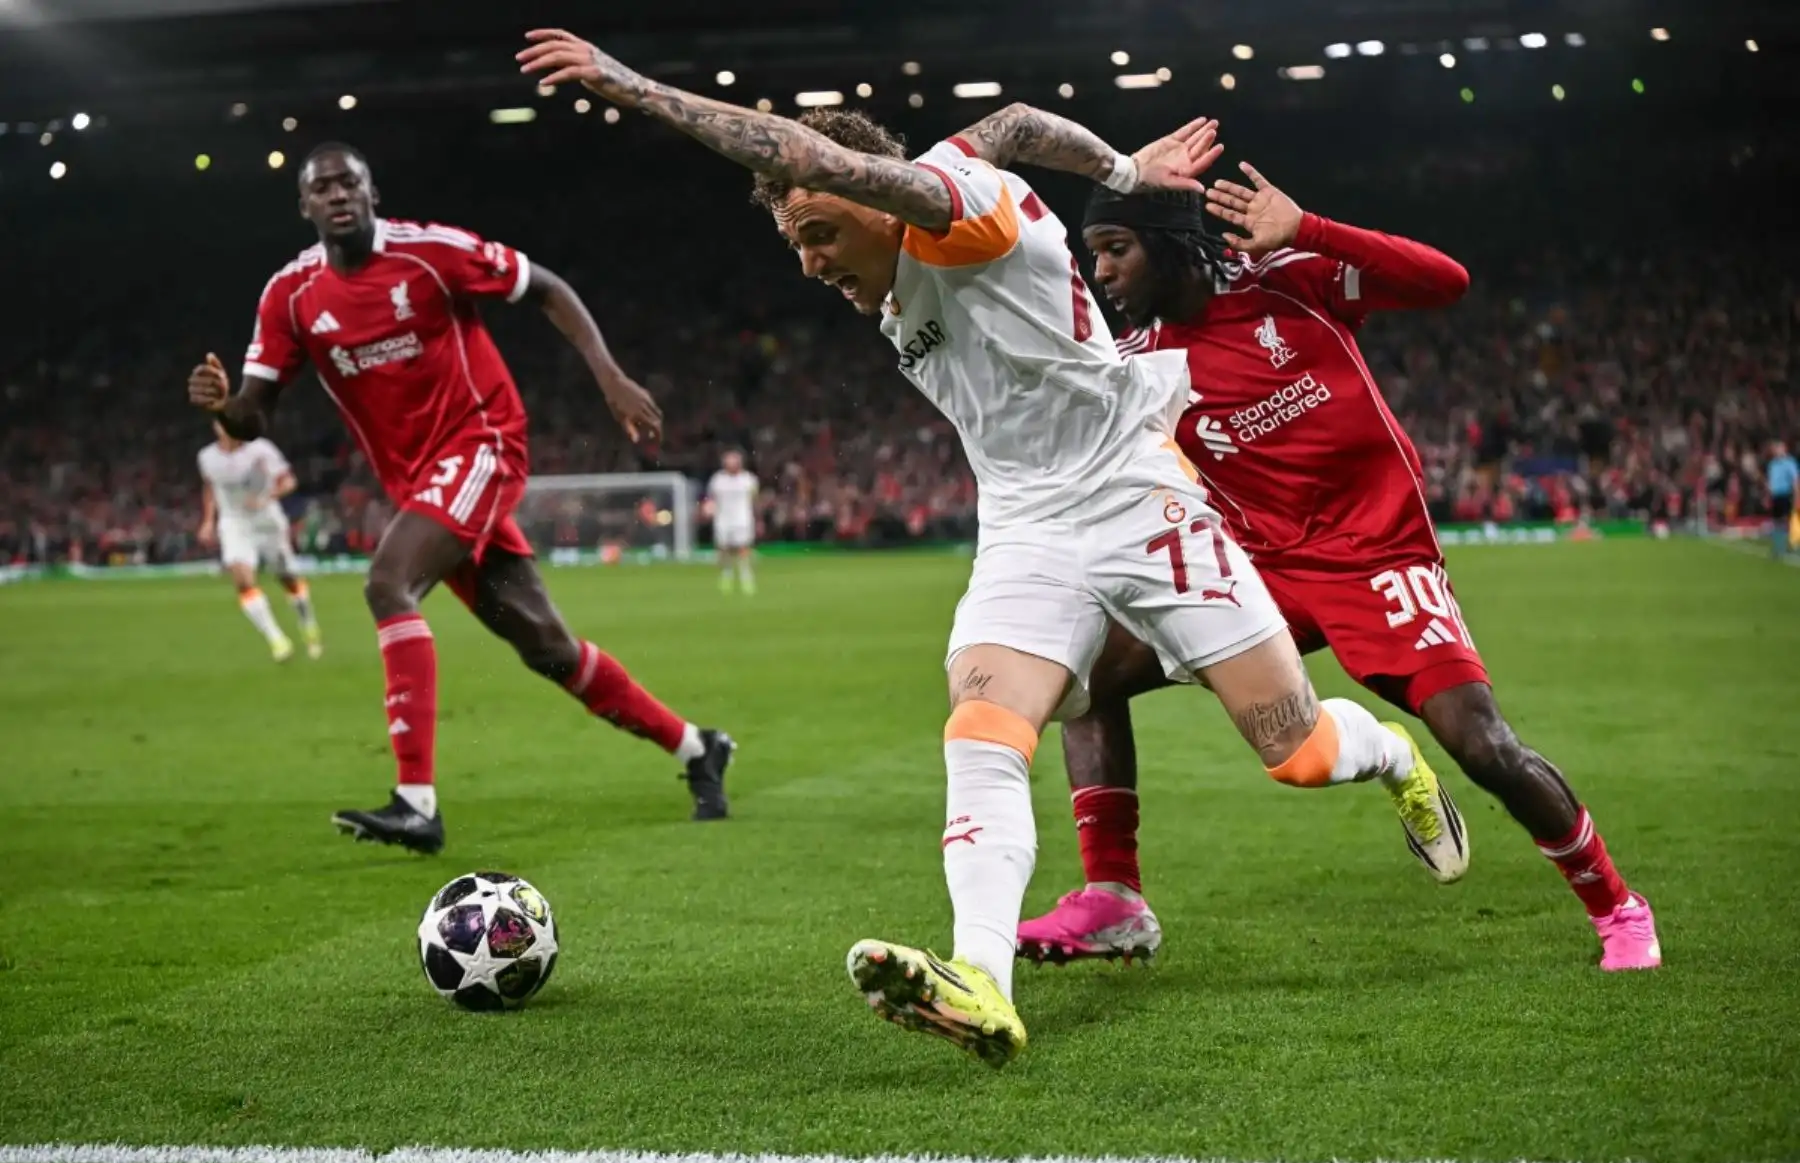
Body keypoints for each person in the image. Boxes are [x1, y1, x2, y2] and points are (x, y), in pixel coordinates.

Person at [520, 30, 1466, 1067]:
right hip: (1025, 524)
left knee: (1299, 753)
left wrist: (630, 86)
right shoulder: (921, 221)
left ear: (880, 197)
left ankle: (1395, 759)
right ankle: (981, 979)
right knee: (982, 725)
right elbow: (1011, 125)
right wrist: (1119, 170)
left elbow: (848, 157)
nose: (811, 263)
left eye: (823, 233)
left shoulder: (951, 215)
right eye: (796, 245)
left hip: (1138, 499)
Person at [1017, 175, 1660, 972]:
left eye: (1116, 249)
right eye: (1093, 256)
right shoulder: (1136, 365)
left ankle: (1619, 907)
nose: (1103, 273)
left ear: (1173, 245)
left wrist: (1309, 228)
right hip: (1258, 573)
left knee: (1484, 745)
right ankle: (1114, 897)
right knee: (1084, 673)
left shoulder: (1293, 283)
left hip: (1379, 555)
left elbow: (1444, 281)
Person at [186, 143, 736, 853]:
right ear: (304, 206)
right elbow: (254, 412)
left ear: (371, 190)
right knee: (547, 646)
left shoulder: (429, 253)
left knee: (388, 584)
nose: (337, 195)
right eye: (321, 188)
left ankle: (416, 803)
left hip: (484, 442)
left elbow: (545, 287)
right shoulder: (289, 296)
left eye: (348, 182)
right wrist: (224, 407)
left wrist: (610, 376)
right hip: (420, 481)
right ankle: (697, 747)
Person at [197, 420, 323, 662]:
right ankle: (277, 640)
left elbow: (288, 482)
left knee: (287, 577)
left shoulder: (261, 450)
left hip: (267, 521)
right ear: (216, 427)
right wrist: (208, 520)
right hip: (234, 522)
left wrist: (267, 496)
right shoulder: (207, 457)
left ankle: (308, 622)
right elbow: (210, 487)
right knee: (243, 580)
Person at [707, 449, 760, 594]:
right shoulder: (717, 479)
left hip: (742, 519)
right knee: (724, 549)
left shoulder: (749, 479)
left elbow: (755, 500)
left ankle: (746, 576)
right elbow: (711, 499)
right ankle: (727, 575)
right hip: (723, 519)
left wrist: (758, 519)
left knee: (743, 548)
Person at [1767, 440, 1796, 559]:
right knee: (1776, 521)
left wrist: (1797, 495)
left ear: (1784, 449)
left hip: (1785, 494)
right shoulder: (1772, 464)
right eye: (1776, 449)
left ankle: (1790, 544)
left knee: (1787, 520)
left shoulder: (1789, 463)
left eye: (1780, 448)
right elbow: (1771, 480)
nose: (1777, 451)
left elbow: (1795, 479)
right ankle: (1778, 546)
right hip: (1775, 495)